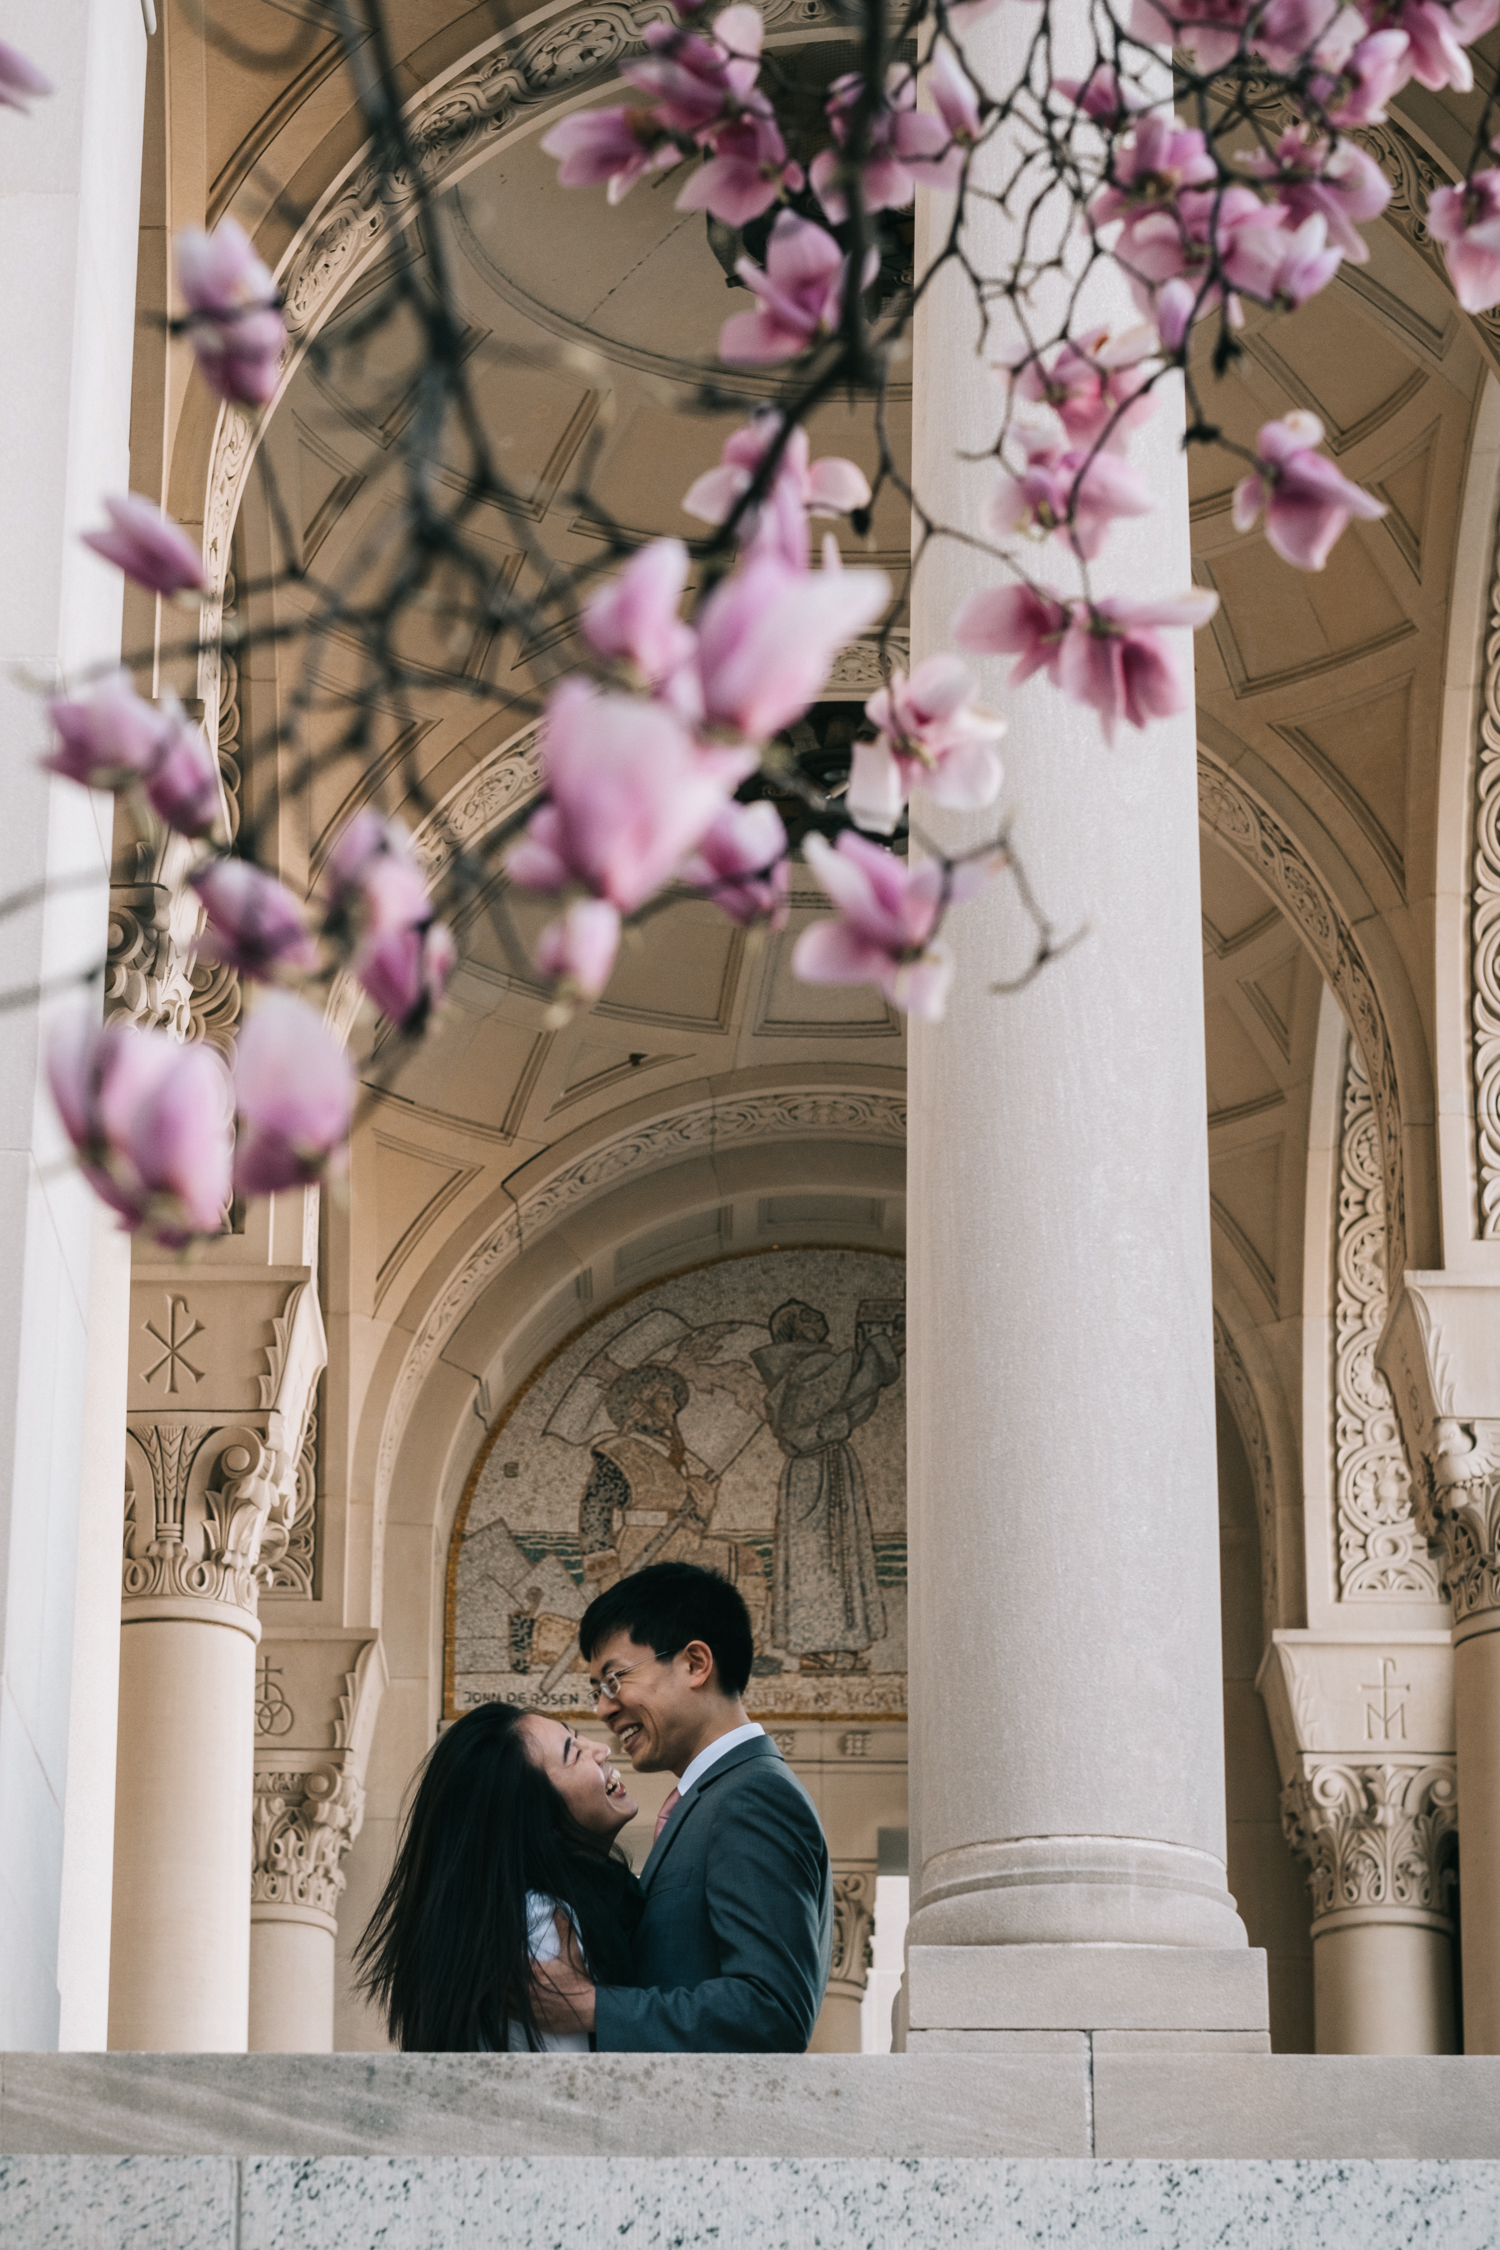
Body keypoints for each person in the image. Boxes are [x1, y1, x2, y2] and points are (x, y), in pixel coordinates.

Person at [529, 1559, 833, 2051]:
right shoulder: (714, 1797)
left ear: (695, 1664)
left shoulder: (754, 1797)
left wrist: (588, 2005)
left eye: (613, 1680)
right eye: (597, 1691)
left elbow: (772, 2009)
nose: (603, 1709)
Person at [354, 1699, 642, 2051]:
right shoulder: (539, 1924)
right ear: (536, 1817)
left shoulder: (522, 1916)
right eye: (574, 1752)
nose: (601, 1748)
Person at [753, 1299, 903, 1668]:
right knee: (818, 1553)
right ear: (792, 1330)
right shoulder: (810, 1370)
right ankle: (817, 1644)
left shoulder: (816, 1369)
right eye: (806, 1316)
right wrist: (885, 1347)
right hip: (814, 1470)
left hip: (831, 1461)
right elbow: (852, 1387)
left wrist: (883, 1351)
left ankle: (840, 1641)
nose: (819, 1316)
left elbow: (855, 1397)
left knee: (841, 1551)